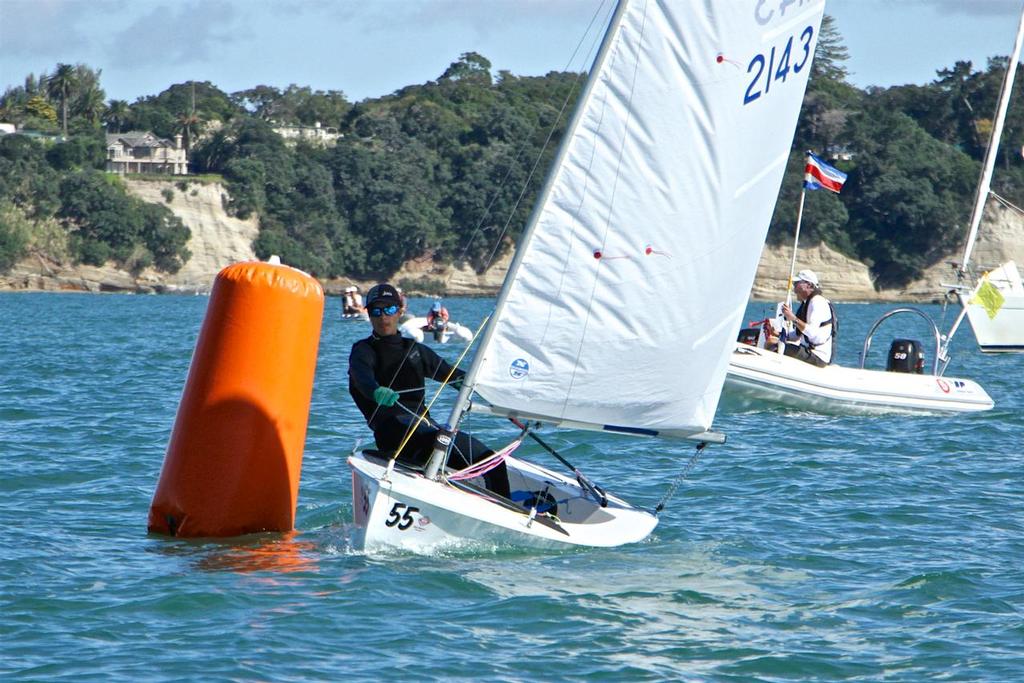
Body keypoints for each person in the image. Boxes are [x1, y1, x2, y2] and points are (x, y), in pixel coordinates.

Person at [348, 283, 510, 498]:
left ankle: (505, 518)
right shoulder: (362, 351)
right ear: (368, 314)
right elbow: (362, 379)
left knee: (494, 463)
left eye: (388, 309)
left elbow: (453, 376)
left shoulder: (414, 351)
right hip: (393, 436)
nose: (382, 317)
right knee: (423, 433)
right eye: (376, 311)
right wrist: (376, 392)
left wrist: (488, 387)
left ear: (400, 311)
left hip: (428, 432)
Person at [766, 269, 837, 367]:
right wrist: (777, 334)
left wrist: (793, 318)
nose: (794, 287)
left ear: (809, 285)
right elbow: (796, 335)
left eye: (797, 283)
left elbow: (811, 333)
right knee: (771, 341)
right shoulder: (806, 303)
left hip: (817, 356)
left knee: (773, 347)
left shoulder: (817, 302)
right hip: (806, 350)